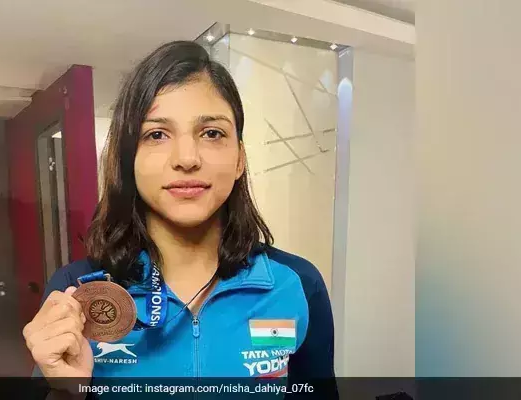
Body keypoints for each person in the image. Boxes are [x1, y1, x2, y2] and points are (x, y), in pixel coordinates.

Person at [22, 40, 337, 398]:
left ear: (239, 159)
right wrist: (68, 391)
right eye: (156, 134)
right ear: (128, 160)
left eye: (212, 133)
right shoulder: (76, 290)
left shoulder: (298, 283)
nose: (187, 158)